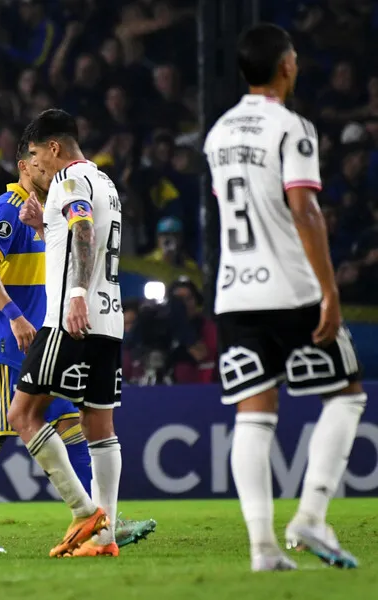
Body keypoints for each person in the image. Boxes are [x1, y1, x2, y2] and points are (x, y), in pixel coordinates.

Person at [203, 23, 365, 572]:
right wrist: (330, 290)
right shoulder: (292, 128)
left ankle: (263, 549)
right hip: (290, 288)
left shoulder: (218, 133)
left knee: (254, 415)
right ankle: (312, 515)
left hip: (234, 292)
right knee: (345, 396)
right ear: (287, 66)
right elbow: (303, 208)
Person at [0, 141, 155, 554]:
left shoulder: (55, 205)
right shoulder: (10, 206)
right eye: (36, 165)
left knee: (73, 426)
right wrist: (13, 315)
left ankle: (100, 519)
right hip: (12, 342)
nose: (46, 171)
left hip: (52, 336)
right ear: (24, 167)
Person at [7, 108, 124, 558]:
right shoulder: (105, 183)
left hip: (69, 320)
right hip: (109, 319)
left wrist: (75, 292)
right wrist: (44, 225)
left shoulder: (68, 179)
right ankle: (104, 537)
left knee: (22, 415)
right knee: (99, 425)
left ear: (54, 148)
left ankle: (83, 511)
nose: (37, 164)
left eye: (37, 154)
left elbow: (81, 228)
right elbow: (77, 228)